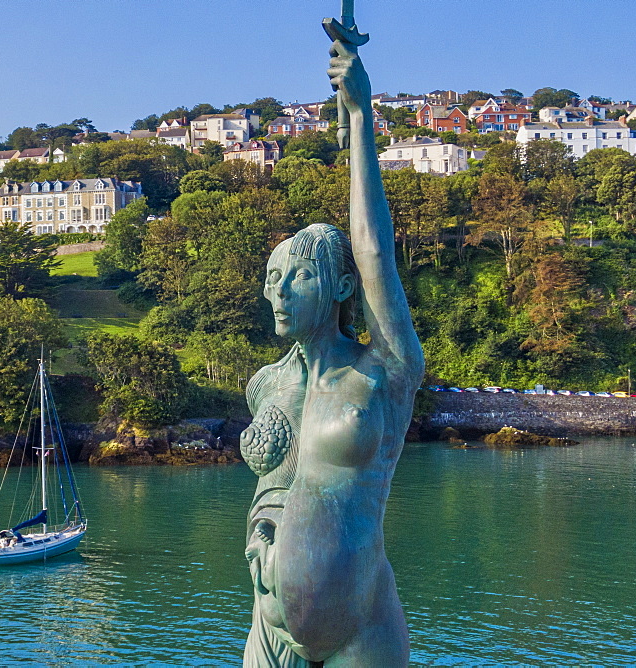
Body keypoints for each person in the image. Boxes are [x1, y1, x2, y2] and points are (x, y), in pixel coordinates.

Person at [241, 37, 424, 666]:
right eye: (275, 277)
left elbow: (374, 251)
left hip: (360, 626)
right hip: (269, 630)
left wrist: (359, 118)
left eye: (300, 276)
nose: (282, 290)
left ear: (342, 287)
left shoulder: (383, 374)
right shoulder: (268, 385)